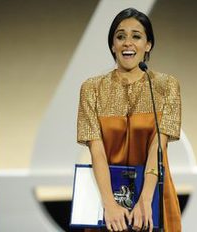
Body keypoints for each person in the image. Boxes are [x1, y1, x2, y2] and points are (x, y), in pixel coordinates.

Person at [77, 8, 183, 232]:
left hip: (152, 192)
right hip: (107, 191)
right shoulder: (91, 89)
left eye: (136, 36)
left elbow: (159, 145)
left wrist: (145, 199)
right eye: (120, 36)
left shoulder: (165, 86)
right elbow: (96, 150)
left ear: (148, 45)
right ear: (113, 45)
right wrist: (109, 204)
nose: (128, 43)